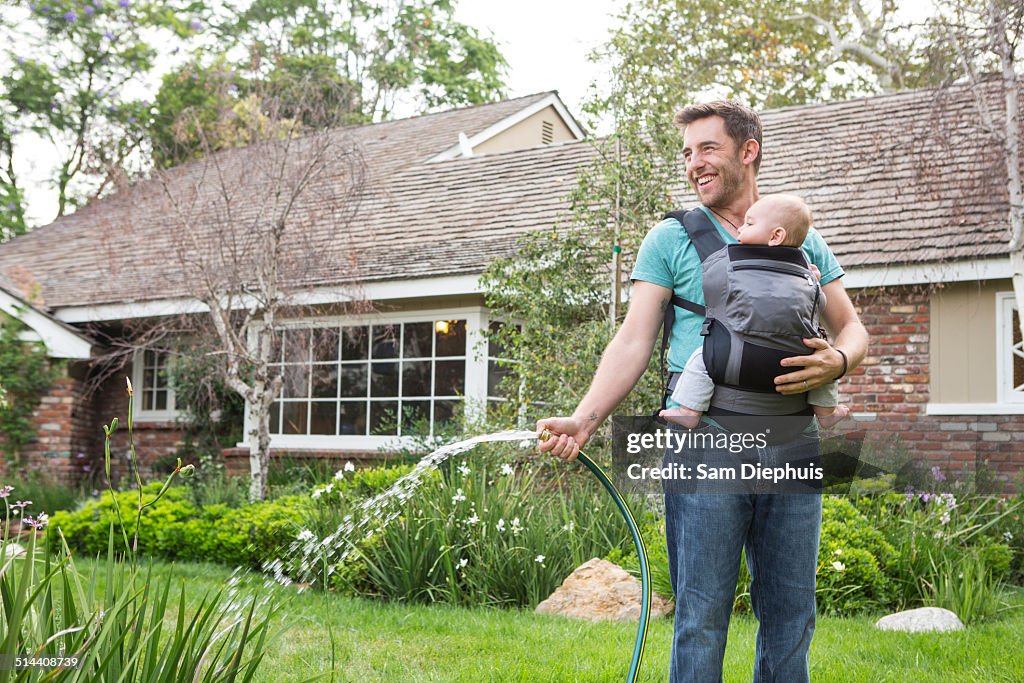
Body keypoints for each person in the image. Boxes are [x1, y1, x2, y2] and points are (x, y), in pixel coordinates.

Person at [536, 100, 867, 683]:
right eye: (687, 153)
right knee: (701, 613)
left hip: (792, 440)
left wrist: (838, 362)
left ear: (748, 150)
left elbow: (853, 326)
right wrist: (585, 419)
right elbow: (633, 341)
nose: (694, 164)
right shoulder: (670, 238)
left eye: (707, 148)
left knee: (791, 613)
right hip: (707, 442)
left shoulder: (799, 237)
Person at [659, 193, 850, 430]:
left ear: (775, 236)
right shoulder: (807, 271)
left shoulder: (733, 263)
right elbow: (818, 304)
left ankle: (689, 410)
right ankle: (827, 412)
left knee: (700, 360)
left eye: (749, 224)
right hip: (796, 356)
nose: (740, 229)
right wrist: (815, 281)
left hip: (740, 355)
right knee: (823, 365)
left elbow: (715, 293)